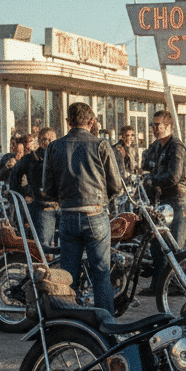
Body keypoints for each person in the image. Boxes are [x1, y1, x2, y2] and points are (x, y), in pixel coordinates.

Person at [43, 102, 124, 316]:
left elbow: (48, 189)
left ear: (68, 122)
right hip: (95, 214)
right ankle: (105, 323)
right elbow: (116, 185)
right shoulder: (101, 145)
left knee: (69, 275)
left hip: (68, 216)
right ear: (91, 122)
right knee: (101, 273)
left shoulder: (54, 147)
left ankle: (72, 322)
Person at [140, 110, 186, 294]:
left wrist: (152, 181)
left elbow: (174, 176)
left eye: (157, 125)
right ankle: (158, 285)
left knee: (175, 246)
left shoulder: (177, 147)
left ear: (168, 126)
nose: (154, 129)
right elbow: (146, 170)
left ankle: (179, 284)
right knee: (157, 246)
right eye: (152, 125)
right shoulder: (155, 147)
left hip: (177, 200)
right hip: (161, 202)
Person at [9, 126, 58, 250]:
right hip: (43, 206)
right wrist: (23, 195)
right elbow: (15, 176)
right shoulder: (31, 159)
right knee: (43, 248)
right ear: (40, 141)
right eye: (44, 139)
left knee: (66, 246)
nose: (47, 142)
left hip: (62, 205)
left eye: (50, 139)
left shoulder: (61, 156)